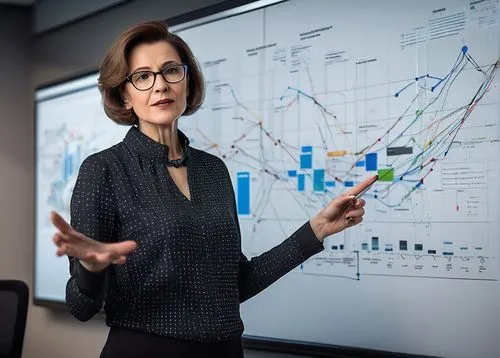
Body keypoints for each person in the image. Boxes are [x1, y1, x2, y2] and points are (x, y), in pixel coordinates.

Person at [50, 20, 375, 358]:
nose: (160, 86)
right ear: (125, 95)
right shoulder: (104, 169)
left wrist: (317, 230)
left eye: (170, 71)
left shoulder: (212, 170)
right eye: (143, 77)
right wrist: (91, 268)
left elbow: (237, 283)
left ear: (187, 84)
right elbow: (80, 306)